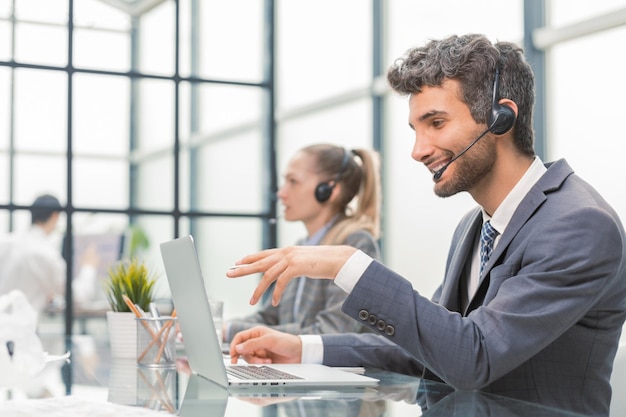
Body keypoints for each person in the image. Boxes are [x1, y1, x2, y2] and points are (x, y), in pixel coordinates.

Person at [226, 34, 626, 417]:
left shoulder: (578, 225)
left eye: (436, 123)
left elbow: (475, 356)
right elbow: (429, 347)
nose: (418, 151)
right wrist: (303, 348)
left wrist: (350, 265)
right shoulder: (475, 226)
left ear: (501, 118)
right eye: (416, 130)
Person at [223, 144, 382, 342]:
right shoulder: (303, 247)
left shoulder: (355, 244)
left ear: (328, 190)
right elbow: (271, 318)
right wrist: (221, 327)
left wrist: (230, 330)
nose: (281, 193)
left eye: (293, 181)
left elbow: (331, 332)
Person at [0, 194, 100, 321]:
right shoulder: (46, 253)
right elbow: (77, 297)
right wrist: (88, 267)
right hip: (23, 332)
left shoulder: (6, 242)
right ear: (55, 216)